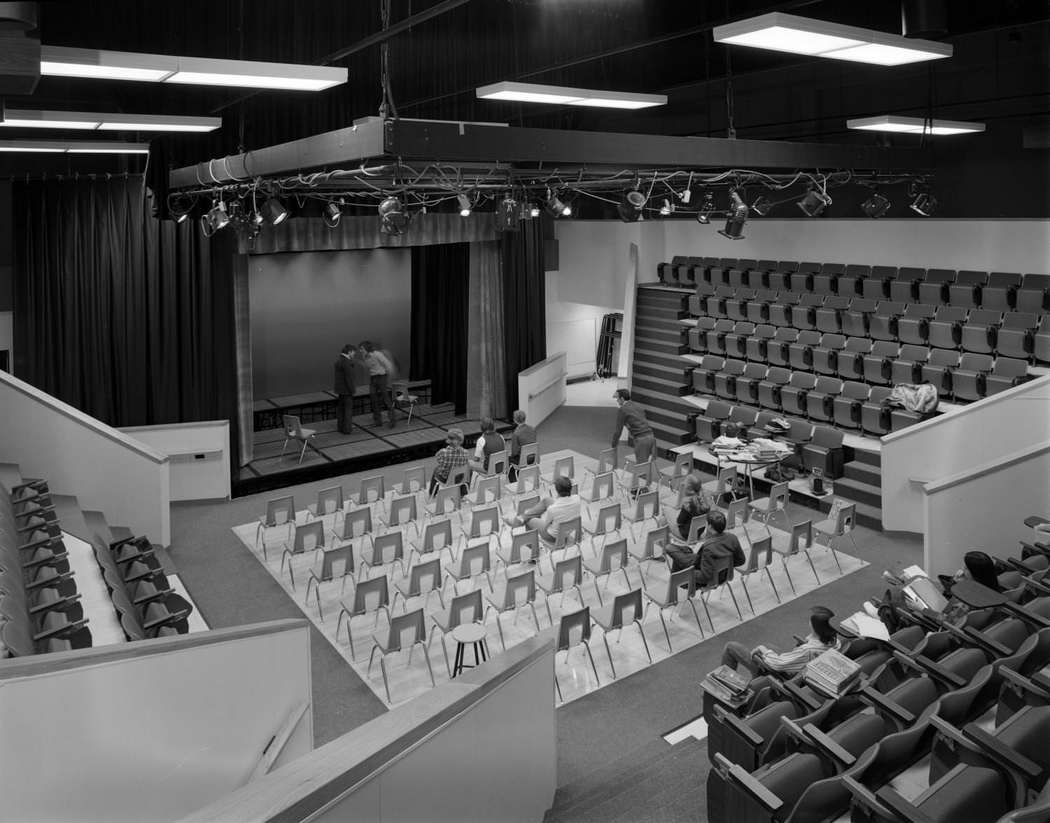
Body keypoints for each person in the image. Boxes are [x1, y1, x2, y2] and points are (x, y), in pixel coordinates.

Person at [720, 606, 842, 678]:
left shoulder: (808, 650)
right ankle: (755, 677)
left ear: (816, 627)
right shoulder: (836, 642)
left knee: (731, 647)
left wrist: (764, 651)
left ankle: (724, 684)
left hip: (778, 674)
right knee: (768, 646)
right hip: (799, 668)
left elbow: (778, 664)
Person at [504, 475, 580, 546]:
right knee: (547, 500)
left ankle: (532, 551)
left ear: (557, 490)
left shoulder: (552, 509)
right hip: (568, 530)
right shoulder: (577, 498)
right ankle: (521, 518)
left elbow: (545, 527)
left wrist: (537, 518)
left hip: (552, 536)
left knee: (529, 520)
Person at [694, 510, 746, 588]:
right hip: (726, 575)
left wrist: (690, 573)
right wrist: (727, 565)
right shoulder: (733, 538)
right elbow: (741, 560)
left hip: (711, 581)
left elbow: (705, 577)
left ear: (710, 526)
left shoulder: (708, 547)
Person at [611, 388, 655, 463]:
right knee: (649, 465)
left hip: (641, 440)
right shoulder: (637, 406)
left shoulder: (622, 410)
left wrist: (613, 446)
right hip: (651, 437)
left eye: (617, 399)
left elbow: (618, 431)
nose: (617, 401)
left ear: (622, 398)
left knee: (641, 468)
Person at [359, 341, 396, 429]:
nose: (360, 351)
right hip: (373, 378)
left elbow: (388, 364)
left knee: (386, 399)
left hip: (381, 377)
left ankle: (392, 420)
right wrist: (362, 364)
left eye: (361, 349)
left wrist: (390, 376)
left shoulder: (377, 354)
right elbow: (370, 366)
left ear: (367, 348)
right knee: (373, 398)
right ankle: (378, 421)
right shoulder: (364, 356)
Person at [429, 428, 471, 495]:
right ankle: (463, 492)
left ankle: (432, 493)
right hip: (458, 479)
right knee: (467, 469)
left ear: (448, 440)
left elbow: (438, 459)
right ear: (461, 440)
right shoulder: (466, 453)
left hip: (446, 479)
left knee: (436, 469)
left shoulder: (443, 452)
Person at [332, 344, 356, 434]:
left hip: (340, 390)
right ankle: (347, 429)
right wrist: (352, 390)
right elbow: (349, 378)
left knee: (341, 410)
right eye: (353, 352)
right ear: (349, 352)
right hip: (347, 390)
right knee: (348, 411)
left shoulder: (339, 360)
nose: (354, 354)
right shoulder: (346, 362)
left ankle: (340, 427)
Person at [507, 410, 537, 481]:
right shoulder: (532, 429)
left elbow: (514, 452)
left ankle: (514, 483)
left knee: (508, 460)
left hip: (524, 460)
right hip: (533, 457)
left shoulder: (516, 433)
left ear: (515, 420)